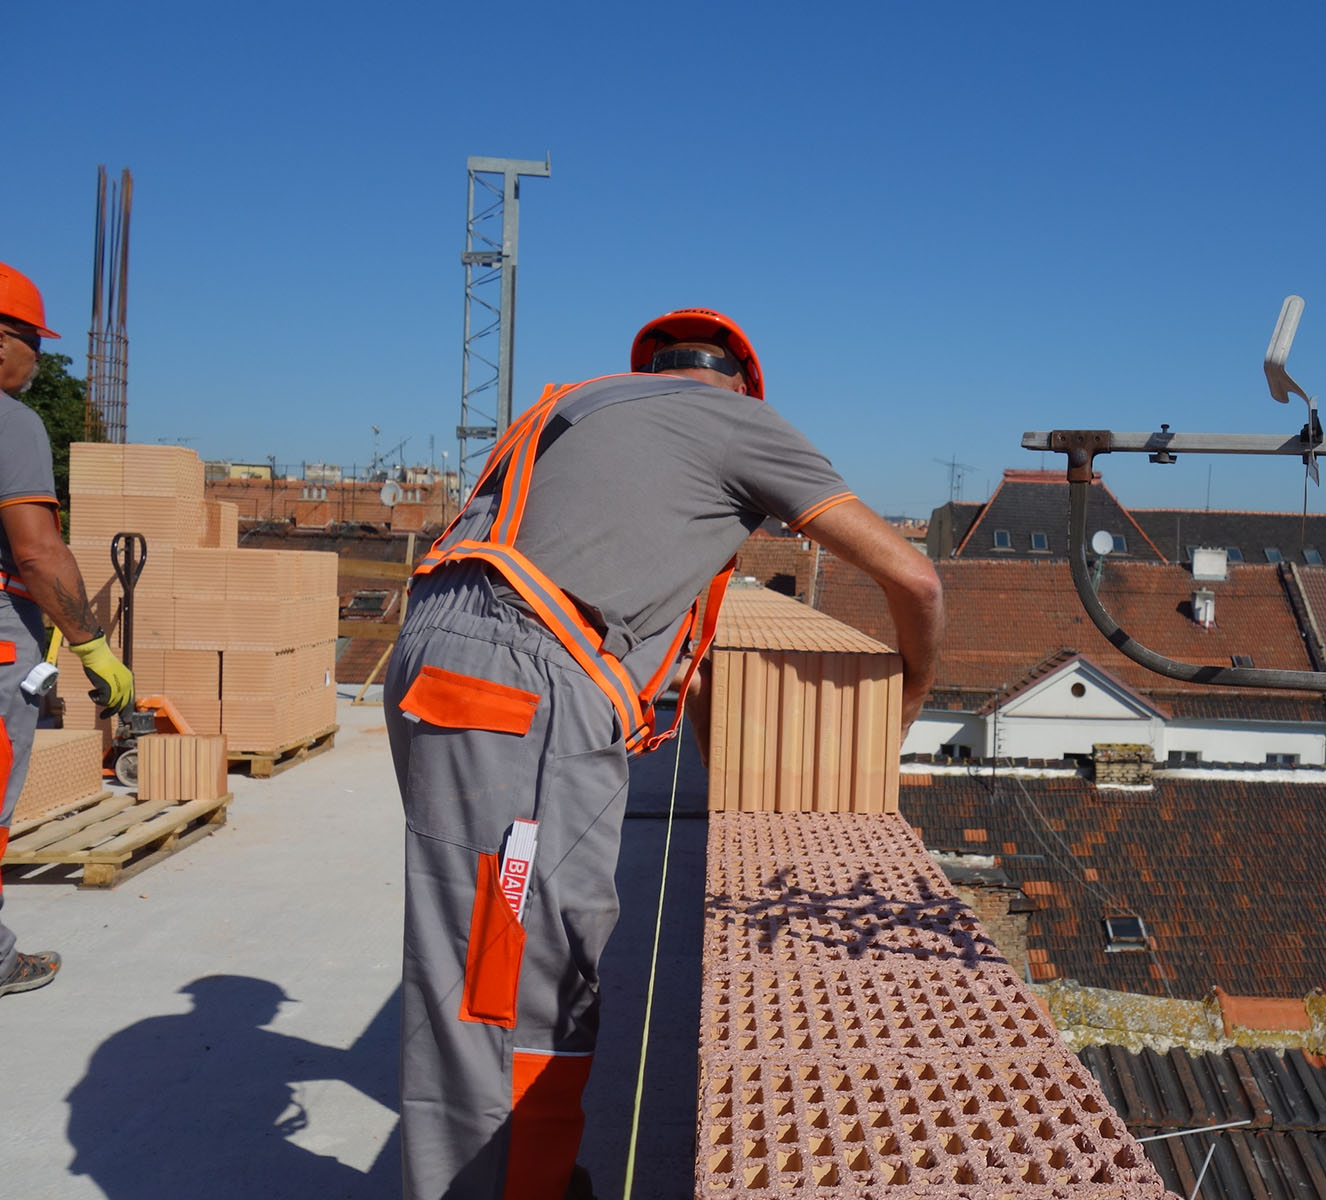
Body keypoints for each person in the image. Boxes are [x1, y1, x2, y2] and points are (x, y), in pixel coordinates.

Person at [384, 307, 944, 1198]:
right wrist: (905, 697)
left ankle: (534, 1173)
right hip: (518, 691)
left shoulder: (581, 409)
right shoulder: (739, 423)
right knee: (508, 972)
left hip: (440, 658)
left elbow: (683, 648)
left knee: (493, 941)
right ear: (744, 386)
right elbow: (915, 578)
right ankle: (507, 1186)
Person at [0, 262, 135, 997]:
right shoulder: (10, 421)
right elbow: (38, 550)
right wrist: (93, 647)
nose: (39, 361)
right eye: (35, 343)